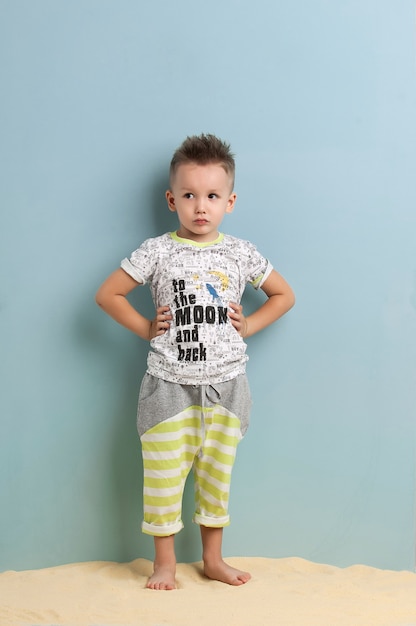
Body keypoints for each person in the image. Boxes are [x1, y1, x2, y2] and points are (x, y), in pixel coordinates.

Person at [95, 134, 295, 590]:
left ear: (230, 201)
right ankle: (163, 564)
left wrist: (250, 324)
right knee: (163, 481)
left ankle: (213, 560)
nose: (200, 207)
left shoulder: (240, 252)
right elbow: (108, 295)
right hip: (168, 386)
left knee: (215, 479)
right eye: (189, 195)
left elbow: (284, 295)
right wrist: (147, 326)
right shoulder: (157, 251)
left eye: (211, 196)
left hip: (227, 387)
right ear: (172, 200)